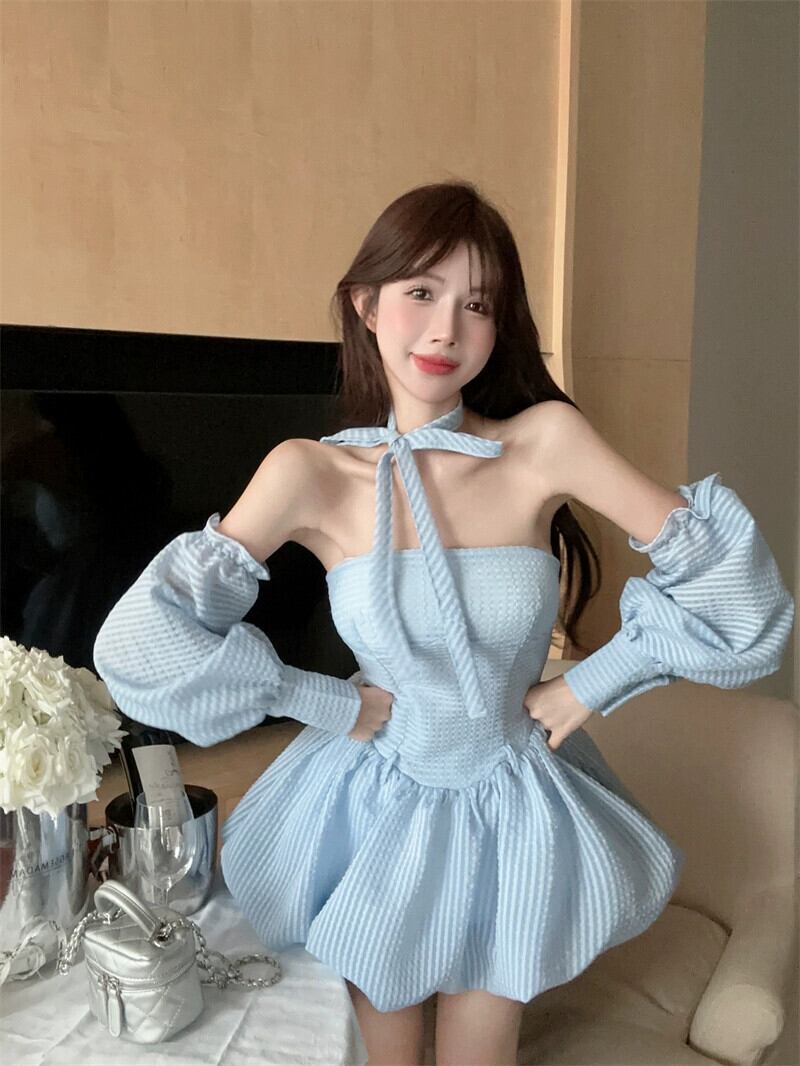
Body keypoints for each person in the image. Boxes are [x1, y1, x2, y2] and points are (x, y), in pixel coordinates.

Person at [93, 180, 795, 1066]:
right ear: (365, 303)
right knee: (384, 1051)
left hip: (514, 800)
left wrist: (591, 681)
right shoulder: (310, 473)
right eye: (421, 292)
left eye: (478, 304)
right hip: (374, 803)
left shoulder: (544, 442)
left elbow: (738, 588)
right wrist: (317, 698)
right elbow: (141, 642)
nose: (445, 331)